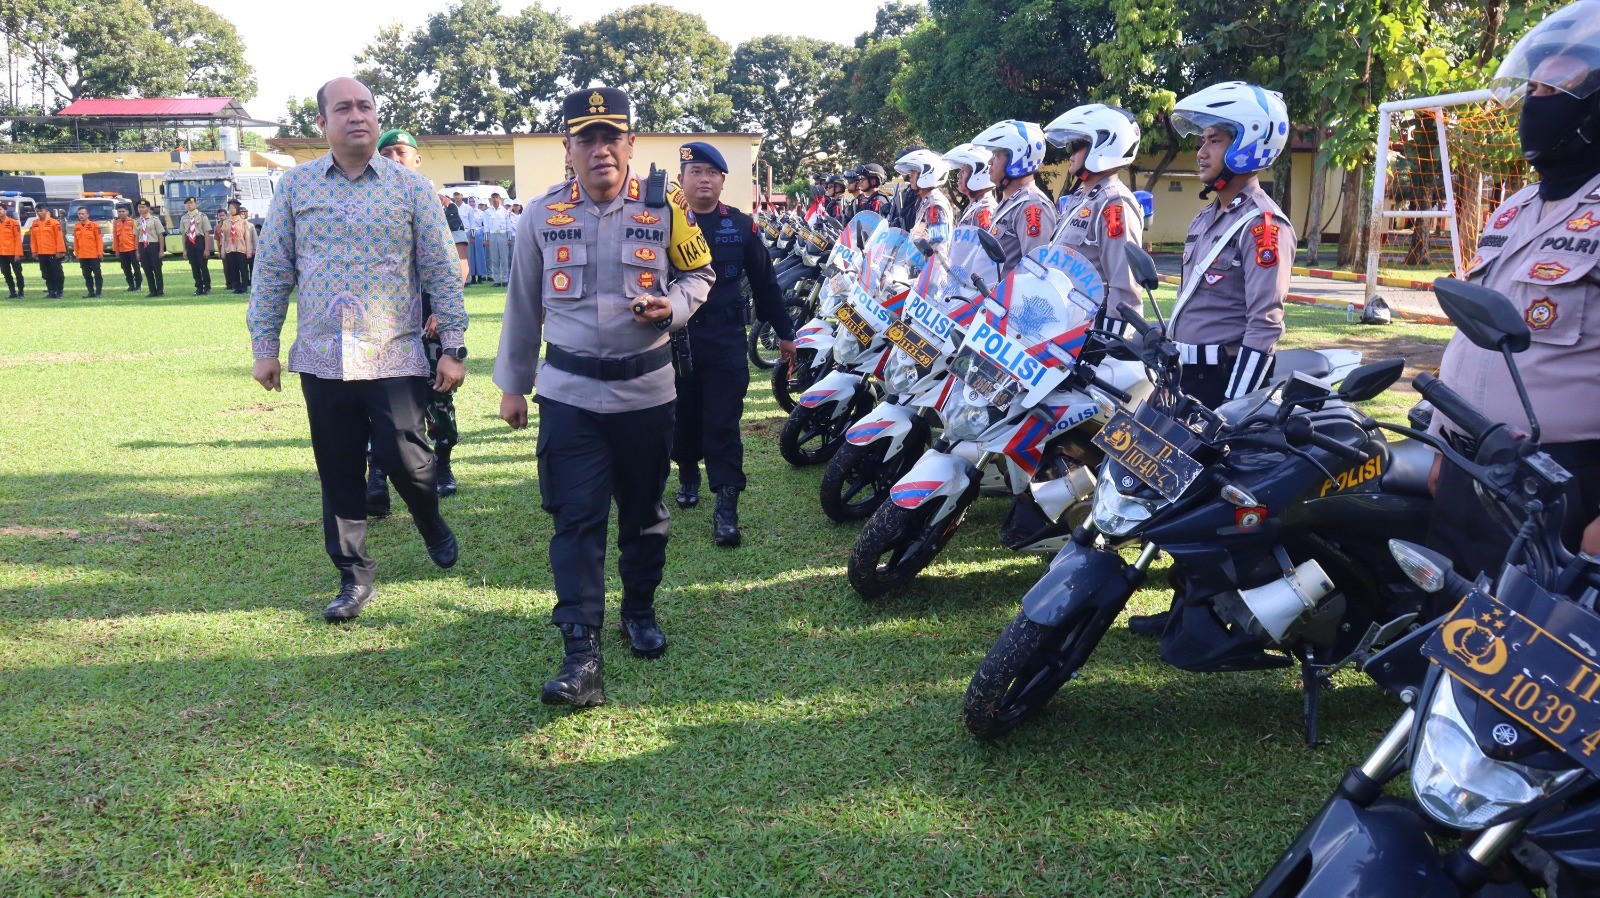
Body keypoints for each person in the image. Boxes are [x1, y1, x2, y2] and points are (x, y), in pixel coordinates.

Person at [494, 87, 714, 707]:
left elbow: (701, 274)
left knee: (644, 513)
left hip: (647, 392)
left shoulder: (666, 206)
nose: (600, 150)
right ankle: (580, 652)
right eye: (586, 138)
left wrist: (674, 306)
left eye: (610, 137)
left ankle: (638, 609)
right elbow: (523, 303)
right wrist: (514, 384)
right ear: (567, 148)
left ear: (630, 145)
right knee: (577, 518)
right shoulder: (541, 215)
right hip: (569, 395)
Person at [246, 75, 468, 624]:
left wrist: (454, 346)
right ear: (321, 123)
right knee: (339, 470)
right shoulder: (296, 188)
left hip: (392, 351)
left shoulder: (411, 188)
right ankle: (353, 576)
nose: (357, 116)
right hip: (322, 356)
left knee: (407, 460)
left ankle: (430, 521)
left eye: (365, 106)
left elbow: (441, 268)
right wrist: (265, 345)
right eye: (342, 108)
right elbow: (273, 270)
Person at [1426, 0, 1600, 584]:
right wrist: (1439, 442)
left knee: (1528, 660)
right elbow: (1470, 342)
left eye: (1555, 87)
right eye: (1533, 86)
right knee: (1447, 631)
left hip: (1562, 482)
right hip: (1468, 460)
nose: (1534, 102)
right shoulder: (1514, 210)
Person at [671, 141, 798, 547]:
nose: (704, 179)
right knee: (682, 414)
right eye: (696, 172)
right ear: (682, 179)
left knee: (723, 422)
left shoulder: (740, 227)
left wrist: (784, 333)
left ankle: (727, 506)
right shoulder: (662, 224)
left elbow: (766, 284)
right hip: (676, 338)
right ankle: (688, 469)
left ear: (723, 181)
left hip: (725, 339)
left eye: (712, 172)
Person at [1165, 82, 1295, 409]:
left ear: (1246, 144)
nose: (1201, 152)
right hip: (1185, 375)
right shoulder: (1206, 218)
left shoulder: (1263, 225)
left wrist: (1233, 406)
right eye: (1202, 141)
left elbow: (1265, 324)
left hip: (1222, 381)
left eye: (1215, 141)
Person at [366, 126, 471, 509]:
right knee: (377, 398)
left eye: (401, 151)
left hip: (431, 318)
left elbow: (458, 265)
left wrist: (443, 314)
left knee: (438, 395)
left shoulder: (444, 204)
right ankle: (376, 474)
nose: (395, 158)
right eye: (387, 152)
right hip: (384, 321)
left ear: (417, 159)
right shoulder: (368, 205)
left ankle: (442, 463)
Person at [1043, 103, 1147, 330]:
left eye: (1077, 145)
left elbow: (1124, 287)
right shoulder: (1082, 197)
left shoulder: (1114, 203)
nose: (1070, 154)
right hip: (1057, 326)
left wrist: (1108, 341)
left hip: (1084, 336)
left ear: (1104, 146)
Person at [971, 120, 1057, 272]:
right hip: (992, 294)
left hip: (1010, 295)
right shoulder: (1010, 202)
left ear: (1016, 160)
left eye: (997, 155)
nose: (990, 161)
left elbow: (1035, 271)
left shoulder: (1032, 206)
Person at [893, 148, 954, 250]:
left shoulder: (935, 204)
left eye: (915, 171)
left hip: (932, 265)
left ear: (928, 173)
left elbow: (936, 241)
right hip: (921, 264)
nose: (910, 175)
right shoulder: (925, 200)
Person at [942, 143, 998, 230]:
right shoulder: (974, 205)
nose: (958, 175)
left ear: (979, 174)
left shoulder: (985, 209)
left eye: (963, 171)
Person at [218, 202, 256, 294]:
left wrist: (249, 251)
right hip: (230, 249)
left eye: (233, 208)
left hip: (241, 248)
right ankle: (236, 287)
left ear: (237, 209)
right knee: (233, 269)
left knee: (242, 268)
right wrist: (222, 250)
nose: (231, 210)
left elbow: (247, 238)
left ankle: (244, 287)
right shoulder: (226, 223)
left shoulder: (243, 222)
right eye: (230, 208)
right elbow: (223, 238)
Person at [28, 207, 65, 299]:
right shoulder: (35, 223)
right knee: (46, 273)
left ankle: (59, 292)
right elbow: (33, 239)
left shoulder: (54, 223)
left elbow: (59, 238)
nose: (39, 213)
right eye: (37, 211)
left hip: (53, 252)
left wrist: (60, 251)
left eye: (41, 211)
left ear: (47, 211)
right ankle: (51, 291)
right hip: (41, 253)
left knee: (57, 273)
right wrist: (34, 251)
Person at [179, 197, 212, 295]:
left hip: (199, 241)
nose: (189, 205)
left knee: (203, 266)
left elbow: (206, 233)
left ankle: (207, 287)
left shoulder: (202, 216)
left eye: (191, 203)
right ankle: (198, 287)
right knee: (194, 266)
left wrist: (207, 248)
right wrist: (184, 249)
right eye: (187, 203)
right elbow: (183, 234)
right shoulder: (184, 218)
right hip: (190, 242)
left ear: (195, 204)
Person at [483, 192, 515, 286]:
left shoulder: (505, 211)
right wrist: (487, 239)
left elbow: (508, 225)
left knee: (504, 258)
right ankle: (496, 280)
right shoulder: (487, 211)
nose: (495, 199)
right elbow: (486, 227)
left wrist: (509, 238)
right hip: (492, 235)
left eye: (496, 197)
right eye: (493, 197)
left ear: (500, 198)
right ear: (490, 199)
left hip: (502, 235)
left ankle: (505, 280)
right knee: (494, 259)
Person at [72, 207, 104, 298]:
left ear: (87, 215)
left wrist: (100, 252)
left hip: (93, 254)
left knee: (97, 273)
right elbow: (76, 241)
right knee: (86, 274)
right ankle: (91, 292)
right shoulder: (76, 226)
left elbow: (99, 240)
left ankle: (98, 292)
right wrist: (76, 253)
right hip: (82, 255)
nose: (81, 216)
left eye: (82, 214)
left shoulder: (94, 226)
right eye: (79, 214)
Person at [134, 200, 165, 297]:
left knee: (157, 269)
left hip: (153, 245)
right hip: (142, 246)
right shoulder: (137, 221)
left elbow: (160, 235)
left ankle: (160, 291)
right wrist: (137, 251)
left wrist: (161, 250)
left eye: (143, 207)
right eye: (139, 207)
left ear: (148, 208)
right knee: (147, 269)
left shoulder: (155, 220)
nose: (141, 209)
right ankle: (152, 291)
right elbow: (136, 236)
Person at [112, 204, 140, 292]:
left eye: (123, 211)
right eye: (119, 212)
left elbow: (137, 237)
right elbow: (115, 237)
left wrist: (137, 250)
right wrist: (116, 249)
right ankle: (131, 285)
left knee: (136, 268)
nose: (121, 213)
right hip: (122, 250)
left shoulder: (133, 222)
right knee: (126, 268)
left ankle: (138, 286)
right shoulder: (116, 223)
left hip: (132, 249)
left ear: (127, 212)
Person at [0, 204, 23, 298]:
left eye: (0, 209)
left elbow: (18, 239)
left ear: (5, 210)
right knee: (6, 273)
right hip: (1, 253)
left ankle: (21, 292)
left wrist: (18, 253)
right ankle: (12, 292)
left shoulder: (13, 222)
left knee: (18, 272)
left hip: (13, 252)